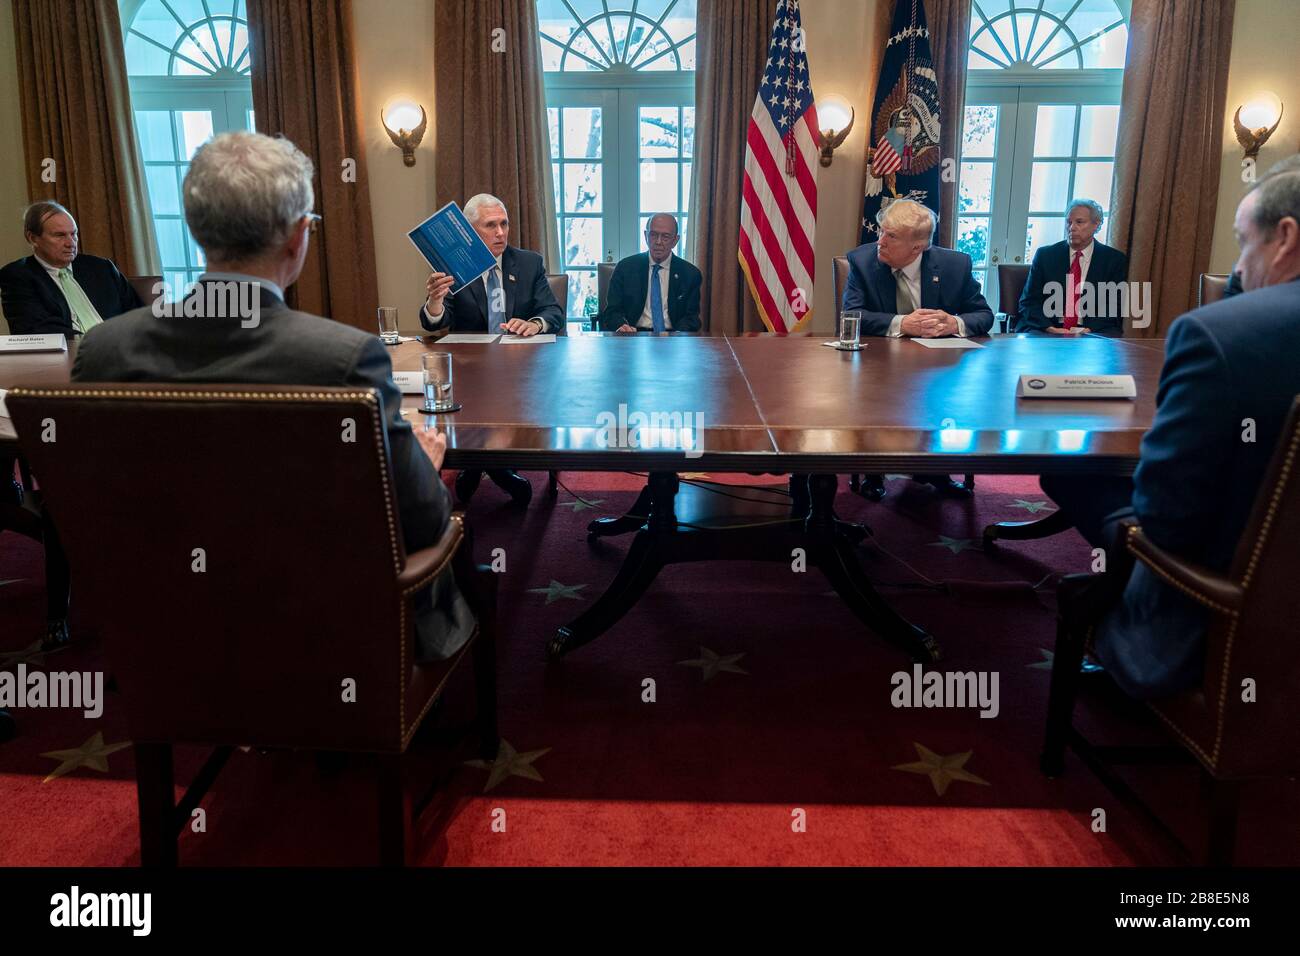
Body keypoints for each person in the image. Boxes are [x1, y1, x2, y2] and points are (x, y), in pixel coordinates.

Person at [72, 130, 474, 662]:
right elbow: (422, 520)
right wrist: (423, 468)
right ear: (297, 236)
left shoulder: (101, 351)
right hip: (322, 638)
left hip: (168, 631)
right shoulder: (344, 358)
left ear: (197, 230)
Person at [1040, 159, 1300, 698]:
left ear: (1285, 239)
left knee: (1070, 470)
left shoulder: (1218, 335)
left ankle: (1115, 625)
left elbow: (1165, 515)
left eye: (1242, 243)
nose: (1238, 266)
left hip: (1211, 611)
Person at [418, 193, 562, 506]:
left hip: (520, 373)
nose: (500, 233)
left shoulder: (528, 262)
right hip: (470, 374)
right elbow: (434, 324)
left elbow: (553, 312)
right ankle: (483, 462)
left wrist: (535, 324)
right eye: (490, 226)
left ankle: (483, 464)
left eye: (504, 224)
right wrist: (435, 302)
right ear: (470, 232)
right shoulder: (454, 267)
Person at [841, 198, 994, 338]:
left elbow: (983, 314)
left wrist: (954, 324)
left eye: (892, 236)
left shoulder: (956, 266)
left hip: (937, 360)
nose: (880, 242)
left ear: (916, 248)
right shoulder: (862, 262)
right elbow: (851, 314)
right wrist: (902, 324)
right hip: (879, 358)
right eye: (881, 231)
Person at [0, 201, 142, 336]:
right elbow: (39, 329)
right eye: (59, 235)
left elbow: (136, 312)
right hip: (71, 355)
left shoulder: (102, 268)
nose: (70, 243)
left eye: (74, 234)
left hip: (123, 349)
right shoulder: (17, 277)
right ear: (32, 238)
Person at [1016, 199, 1129, 335]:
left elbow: (1115, 307)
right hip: (1048, 328)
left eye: (1079, 222)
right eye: (1069, 222)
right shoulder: (1045, 255)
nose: (1072, 228)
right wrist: (1049, 328)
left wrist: (1088, 330)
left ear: (1096, 224)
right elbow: (1028, 302)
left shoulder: (1114, 260)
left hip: (1093, 330)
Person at [596, 213, 702, 332]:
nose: (658, 241)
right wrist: (621, 326)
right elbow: (612, 311)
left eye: (665, 236)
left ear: (675, 240)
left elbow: (691, 317)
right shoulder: (625, 268)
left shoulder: (690, 274)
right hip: (633, 335)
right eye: (653, 235)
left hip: (673, 336)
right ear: (646, 236)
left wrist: (677, 336)